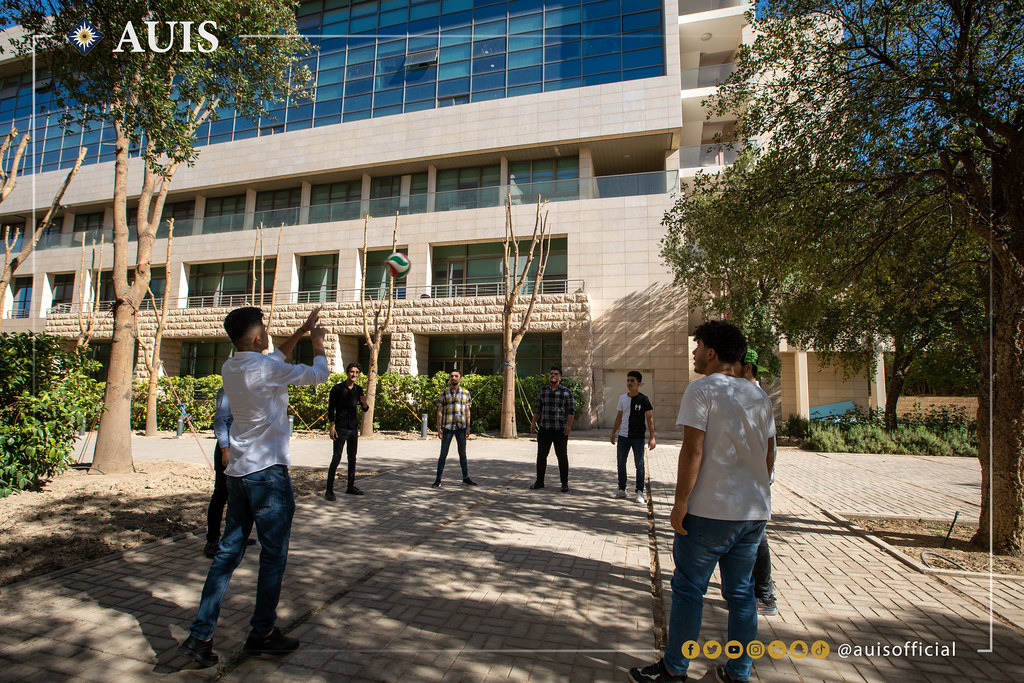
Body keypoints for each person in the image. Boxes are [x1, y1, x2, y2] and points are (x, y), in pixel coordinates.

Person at [179, 306, 329, 668]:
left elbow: (276, 356)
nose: (267, 332)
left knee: (228, 554)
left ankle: (200, 636)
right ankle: (261, 633)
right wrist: (318, 342)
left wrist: (300, 329)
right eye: (264, 328)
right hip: (268, 475)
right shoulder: (266, 369)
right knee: (273, 556)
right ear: (259, 337)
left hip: (239, 476)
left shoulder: (232, 367)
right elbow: (320, 375)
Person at [630, 321, 775, 683]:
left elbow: (692, 451)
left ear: (711, 352)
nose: (693, 353)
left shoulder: (701, 390)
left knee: (689, 590)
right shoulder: (759, 395)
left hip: (710, 512)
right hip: (754, 513)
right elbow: (769, 454)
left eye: (696, 347)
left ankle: (674, 669)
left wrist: (680, 503)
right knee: (741, 595)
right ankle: (738, 672)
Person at [738, 349, 778, 617]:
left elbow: (770, 445)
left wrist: (761, 479)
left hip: (754, 481)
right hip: (751, 479)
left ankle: (764, 593)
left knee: (757, 537)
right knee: (750, 535)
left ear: (748, 367)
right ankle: (753, 587)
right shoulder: (749, 395)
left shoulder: (756, 397)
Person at [609, 370, 656, 504]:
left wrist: (652, 437)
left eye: (632, 381)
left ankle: (639, 491)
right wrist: (613, 432)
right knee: (621, 462)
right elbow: (619, 416)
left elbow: (649, 418)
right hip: (623, 436)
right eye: (628, 380)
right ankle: (621, 489)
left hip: (638, 437)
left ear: (639, 383)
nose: (629, 383)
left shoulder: (644, 399)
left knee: (639, 465)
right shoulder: (622, 398)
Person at [325, 362, 369, 499]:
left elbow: (365, 409)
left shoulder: (358, 390)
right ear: (347, 372)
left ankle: (350, 486)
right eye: (352, 372)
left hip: (353, 428)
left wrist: (365, 403)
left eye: (356, 372)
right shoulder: (337, 389)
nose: (354, 374)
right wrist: (332, 427)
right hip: (340, 428)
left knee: (352, 458)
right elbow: (331, 408)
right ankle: (329, 490)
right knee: (336, 458)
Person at [528, 366, 575, 493]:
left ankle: (564, 483)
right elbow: (537, 409)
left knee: (562, 456)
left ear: (560, 377)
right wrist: (533, 423)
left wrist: (569, 425)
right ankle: (539, 481)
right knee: (541, 456)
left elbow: (571, 411)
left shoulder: (566, 392)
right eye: (551, 374)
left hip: (560, 430)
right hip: (545, 429)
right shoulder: (543, 391)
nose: (553, 376)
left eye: (555, 374)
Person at [432, 369, 477, 488]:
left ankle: (466, 477)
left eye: (456, 376)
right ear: (449, 378)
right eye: (451, 376)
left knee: (462, 453)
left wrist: (468, 427)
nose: (454, 378)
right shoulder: (444, 393)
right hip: (447, 427)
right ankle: (438, 479)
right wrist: (439, 428)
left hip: (461, 427)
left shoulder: (466, 393)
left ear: (460, 379)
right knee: (443, 454)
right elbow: (440, 412)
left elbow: (467, 411)